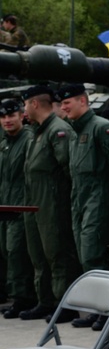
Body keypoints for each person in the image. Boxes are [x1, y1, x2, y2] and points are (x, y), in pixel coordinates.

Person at [58, 83, 109, 331]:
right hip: (79, 197)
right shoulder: (74, 131)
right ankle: (96, 309)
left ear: (82, 101)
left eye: (67, 103)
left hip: (98, 196)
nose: (63, 107)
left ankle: (108, 312)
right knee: (86, 257)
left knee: (93, 254)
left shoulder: (101, 128)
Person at [19, 85, 80, 323]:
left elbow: (69, 171)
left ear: (34, 104)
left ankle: (65, 304)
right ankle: (45, 302)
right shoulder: (37, 131)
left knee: (58, 256)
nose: (24, 108)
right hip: (35, 204)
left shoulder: (58, 131)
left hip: (53, 206)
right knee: (39, 256)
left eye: (25, 103)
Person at [0, 98, 37, 319]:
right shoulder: (4, 142)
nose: (7, 120)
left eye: (11, 115)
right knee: (5, 251)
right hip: (5, 204)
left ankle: (23, 298)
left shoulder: (28, 139)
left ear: (20, 115)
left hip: (22, 206)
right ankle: (11, 293)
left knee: (17, 253)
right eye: (3, 117)